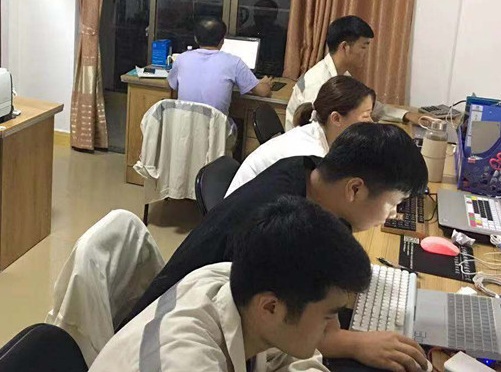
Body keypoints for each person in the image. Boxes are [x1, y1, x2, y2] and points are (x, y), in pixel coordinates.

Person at [119, 123, 430, 372]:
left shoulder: (308, 174)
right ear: (355, 189)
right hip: (171, 327)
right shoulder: (280, 222)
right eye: (394, 202)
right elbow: (287, 324)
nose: (394, 214)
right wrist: (353, 343)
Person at [92, 196, 372, 372]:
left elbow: (290, 358)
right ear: (271, 307)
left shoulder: (240, 282)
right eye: (328, 315)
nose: (334, 327)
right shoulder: (185, 362)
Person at [225, 75, 375, 198]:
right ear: (336, 118)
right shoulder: (311, 155)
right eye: (366, 116)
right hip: (243, 218)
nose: (371, 122)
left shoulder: (317, 133)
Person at [285, 16, 423, 131]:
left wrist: (407, 115)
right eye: (363, 47)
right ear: (345, 47)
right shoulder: (318, 83)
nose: (365, 53)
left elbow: (368, 106)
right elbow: (316, 134)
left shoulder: (342, 75)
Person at [168, 17, 273, 117]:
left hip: (184, 127)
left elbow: (172, 84)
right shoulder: (234, 62)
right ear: (222, 40)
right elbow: (263, 92)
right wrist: (265, 84)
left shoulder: (182, 59)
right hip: (215, 128)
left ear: (195, 39)